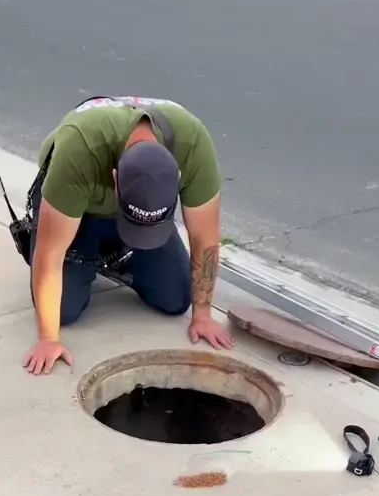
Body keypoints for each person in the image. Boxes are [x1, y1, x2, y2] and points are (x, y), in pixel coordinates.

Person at [23, 96, 235, 375]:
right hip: (76, 211)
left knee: (176, 300)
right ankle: (91, 253)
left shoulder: (193, 145)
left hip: (133, 205)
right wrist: (48, 340)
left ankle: (116, 254)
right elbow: (50, 254)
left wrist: (203, 316)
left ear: (178, 177)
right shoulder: (80, 149)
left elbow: (205, 241)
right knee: (63, 312)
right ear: (114, 180)